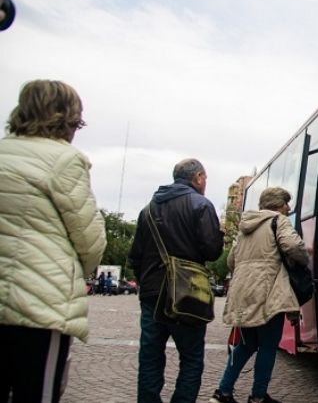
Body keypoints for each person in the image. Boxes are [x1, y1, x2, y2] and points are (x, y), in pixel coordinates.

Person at [0, 79, 107, 402]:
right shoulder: (65, 160)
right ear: (66, 118)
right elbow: (90, 241)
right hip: (40, 303)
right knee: (37, 393)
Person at [128, 158, 224, 403]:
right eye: (205, 178)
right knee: (191, 358)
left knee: (150, 357)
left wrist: (146, 282)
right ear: (198, 177)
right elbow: (212, 251)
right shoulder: (201, 205)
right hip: (187, 293)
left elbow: (135, 256)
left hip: (152, 293)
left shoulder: (148, 209)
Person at [210, 187, 309, 403]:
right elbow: (293, 245)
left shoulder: (245, 227)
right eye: (286, 203)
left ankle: (223, 392)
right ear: (278, 205)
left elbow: (231, 261)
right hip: (268, 292)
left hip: (244, 293)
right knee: (267, 346)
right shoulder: (279, 221)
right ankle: (257, 397)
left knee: (246, 345)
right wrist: (304, 260)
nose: (288, 208)